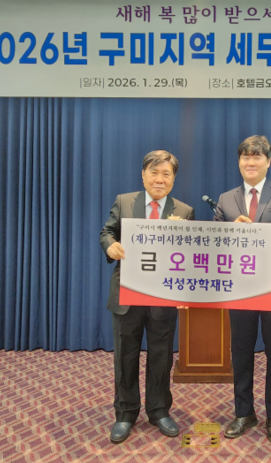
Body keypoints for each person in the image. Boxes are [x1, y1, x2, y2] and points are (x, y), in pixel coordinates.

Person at [214, 135, 271, 444]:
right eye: (245, 157)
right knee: (240, 353)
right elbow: (215, 243)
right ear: (239, 161)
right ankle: (244, 413)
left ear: (268, 161)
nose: (250, 162)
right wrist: (230, 231)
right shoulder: (226, 199)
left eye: (256, 157)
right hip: (240, 289)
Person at [100, 150, 195, 444]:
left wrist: (185, 291)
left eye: (166, 174)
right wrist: (110, 245)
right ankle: (125, 413)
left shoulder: (185, 211)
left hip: (162, 296)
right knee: (125, 356)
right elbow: (107, 232)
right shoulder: (124, 202)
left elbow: (189, 256)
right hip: (127, 294)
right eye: (154, 172)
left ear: (174, 179)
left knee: (161, 356)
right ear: (143, 175)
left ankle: (159, 410)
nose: (159, 179)